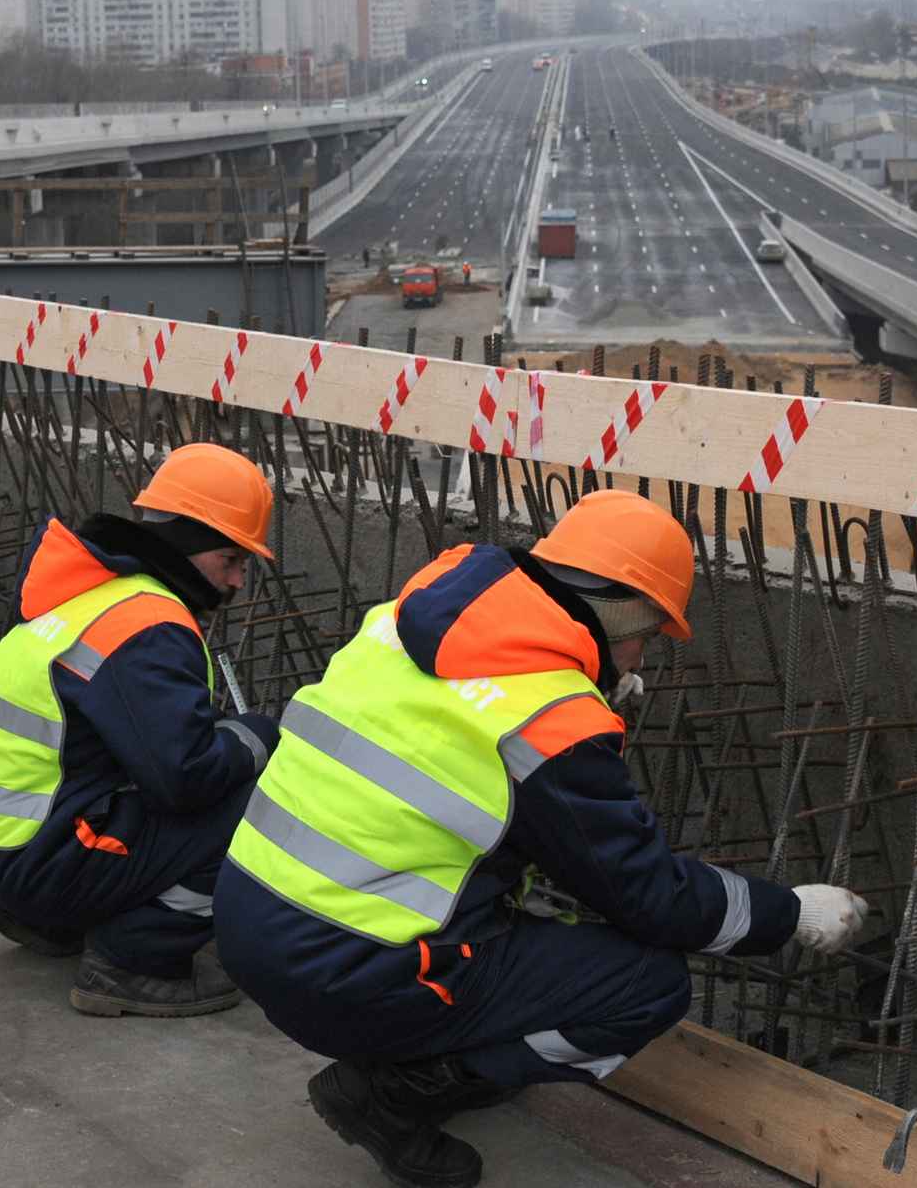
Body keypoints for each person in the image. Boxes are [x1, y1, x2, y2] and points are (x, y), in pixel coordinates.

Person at [215, 491, 871, 1188]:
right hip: (343, 973)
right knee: (645, 984)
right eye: (646, 633)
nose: (642, 653)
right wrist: (790, 913)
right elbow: (649, 896)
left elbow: (454, 764)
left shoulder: (398, 625)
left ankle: (408, 1046)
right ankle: (393, 1092)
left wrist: (579, 687)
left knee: (506, 909)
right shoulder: (551, 720)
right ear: (620, 612)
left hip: (247, 919)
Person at [0, 443, 281, 1019]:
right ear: (193, 548)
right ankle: (135, 959)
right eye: (231, 561)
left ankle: (40, 912)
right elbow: (185, 781)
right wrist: (258, 736)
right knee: (258, 803)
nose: (237, 584)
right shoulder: (148, 626)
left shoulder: (92, 589)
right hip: (37, 855)